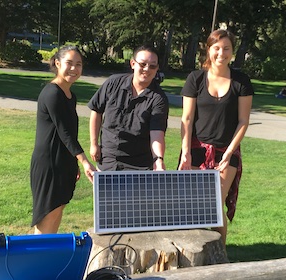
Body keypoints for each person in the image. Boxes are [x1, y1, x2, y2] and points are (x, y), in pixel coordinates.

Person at [178, 29, 254, 246]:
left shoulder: (241, 81)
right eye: (217, 48)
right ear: (208, 49)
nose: (221, 53)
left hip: (226, 151)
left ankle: (219, 255)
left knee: (214, 206)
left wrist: (229, 152)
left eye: (227, 48)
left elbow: (243, 121)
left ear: (232, 51)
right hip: (195, 149)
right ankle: (192, 252)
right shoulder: (196, 78)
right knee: (191, 206)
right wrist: (185, 153)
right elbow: (187, 118)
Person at [30, 45, 96, 234]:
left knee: (57, 212)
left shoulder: (69, 95)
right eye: (69, 63)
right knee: (47, 216)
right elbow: (64, 132)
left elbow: (69, 135)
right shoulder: (52, 93)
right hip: (49, 163)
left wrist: (72, 163)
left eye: (79, 64)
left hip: (63, 161)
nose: (74, 69)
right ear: (57, 63)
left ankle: (45, 258)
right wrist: (84, 162)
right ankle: (38, 260)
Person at [88, 44, 169, 171]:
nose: (147, 69)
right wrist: (93, 144)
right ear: (133, 64)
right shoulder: (113, 83)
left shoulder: (159, 98)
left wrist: (158, 159)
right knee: (104, 191)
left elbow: (157, 133)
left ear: (157, 68)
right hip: (108, 158)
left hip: (138, 164)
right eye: (142, 64)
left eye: (152, 66)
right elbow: (96, 110)